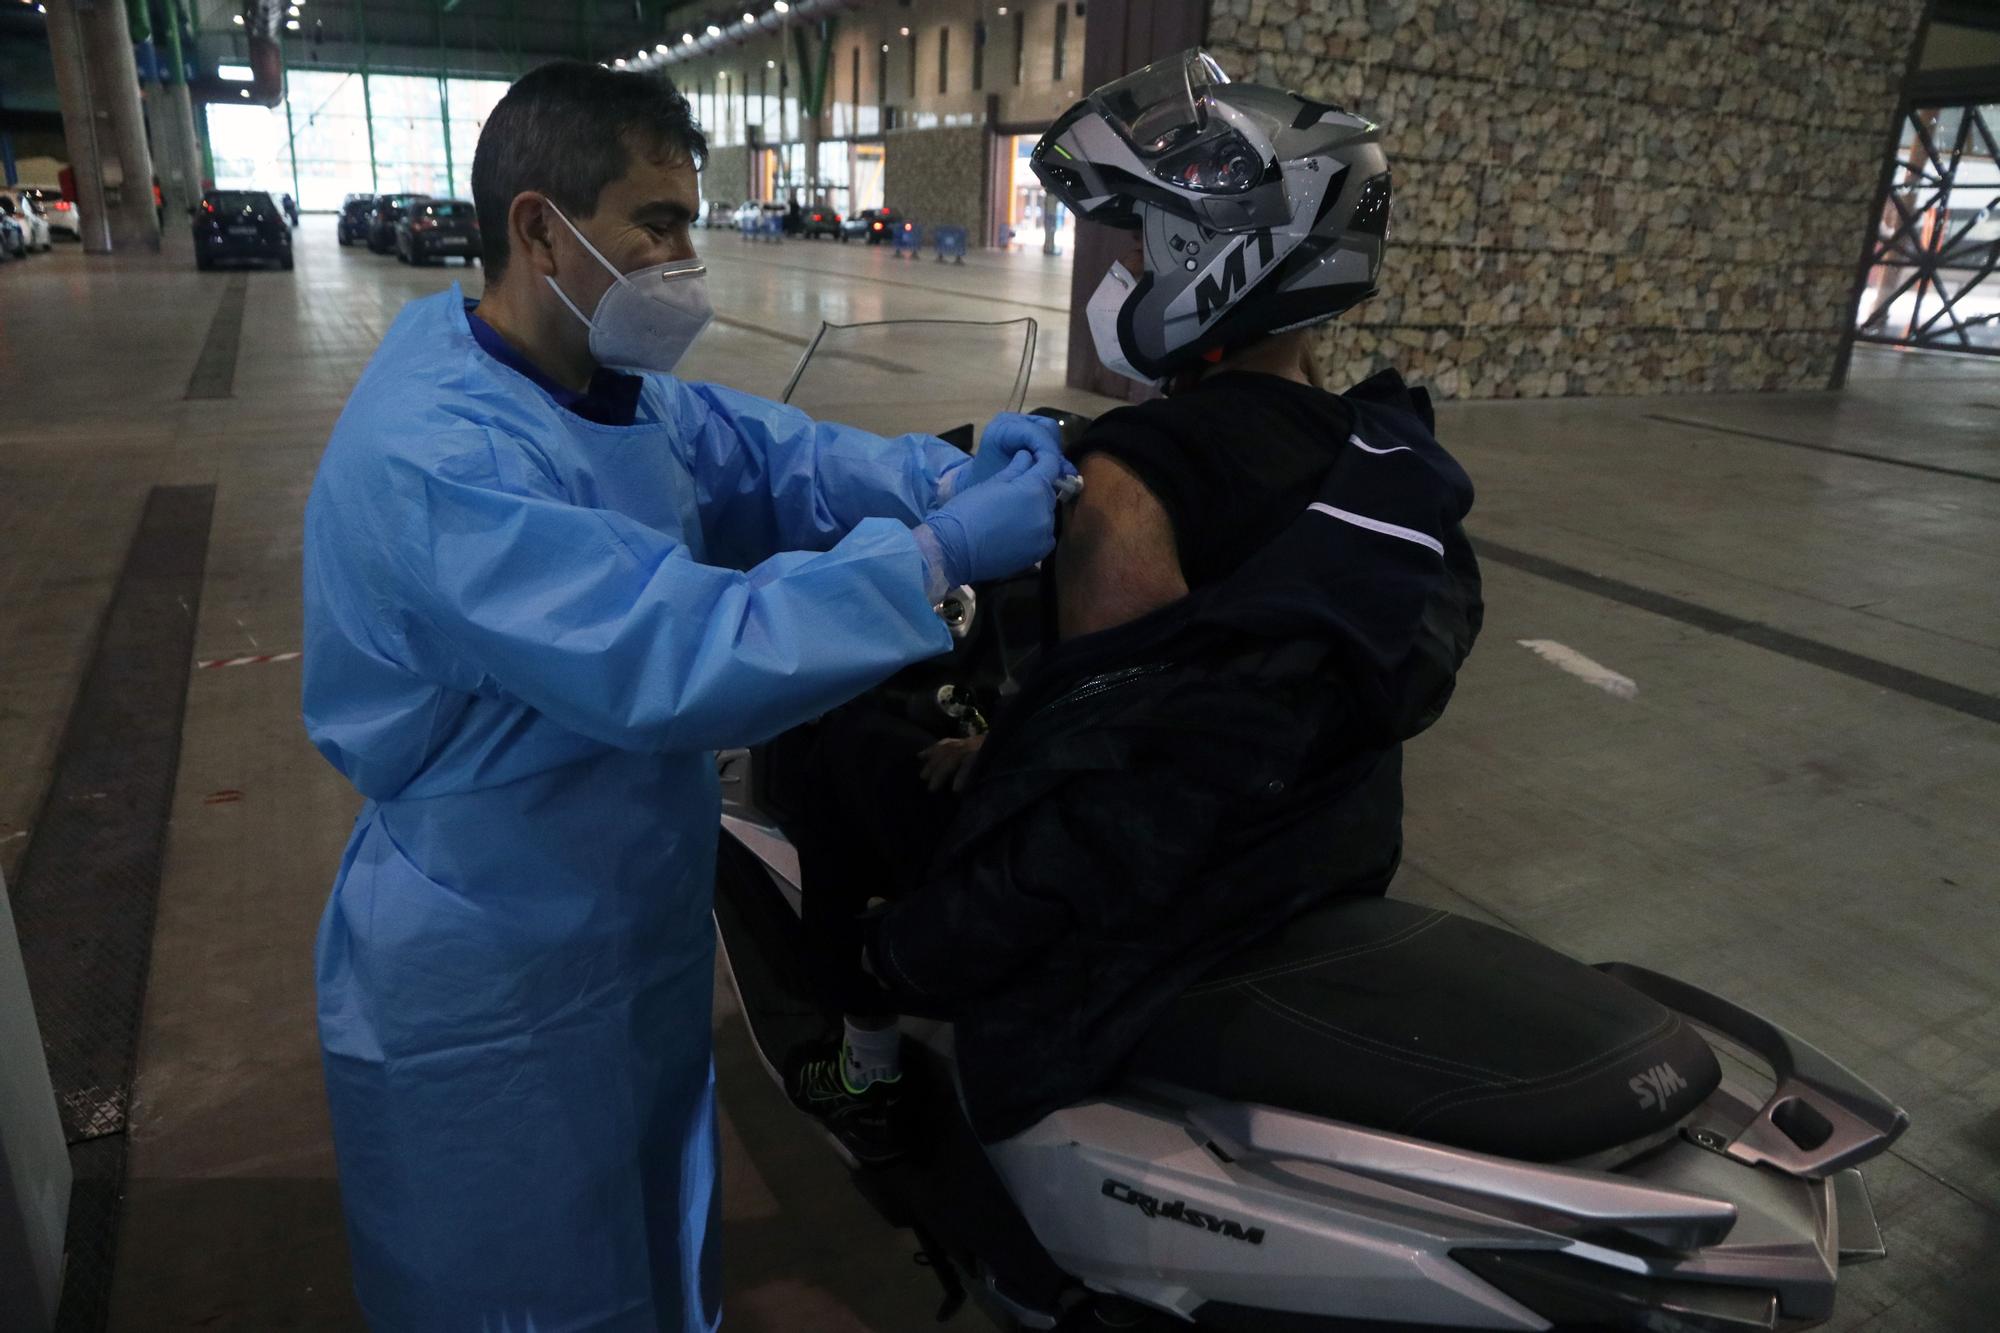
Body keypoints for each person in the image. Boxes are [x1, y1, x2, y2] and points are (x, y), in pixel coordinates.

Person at [301, 61, 1069, 1331]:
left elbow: (770, 457)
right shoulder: (443, 454)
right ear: (537, 226)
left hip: (619, 913)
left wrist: (939, 468)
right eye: (652, 224)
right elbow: (677, 651)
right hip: (498, 952)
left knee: (652, 1237)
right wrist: (937, 558)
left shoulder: (602, 388)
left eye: (686, 221)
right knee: (529, 1283)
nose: (681, 257)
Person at [784, 50, 1483, 1160]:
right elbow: (1193, 703)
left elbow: (1106, 788)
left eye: (1152, 240)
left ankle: (863, 1063)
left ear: (1227, 257)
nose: (1126, 270)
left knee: (845, 762)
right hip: (1318, 850)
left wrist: (905, 951)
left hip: (1146, 918)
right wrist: (1007, 743)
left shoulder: (1137, 470)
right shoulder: (1385, 453)